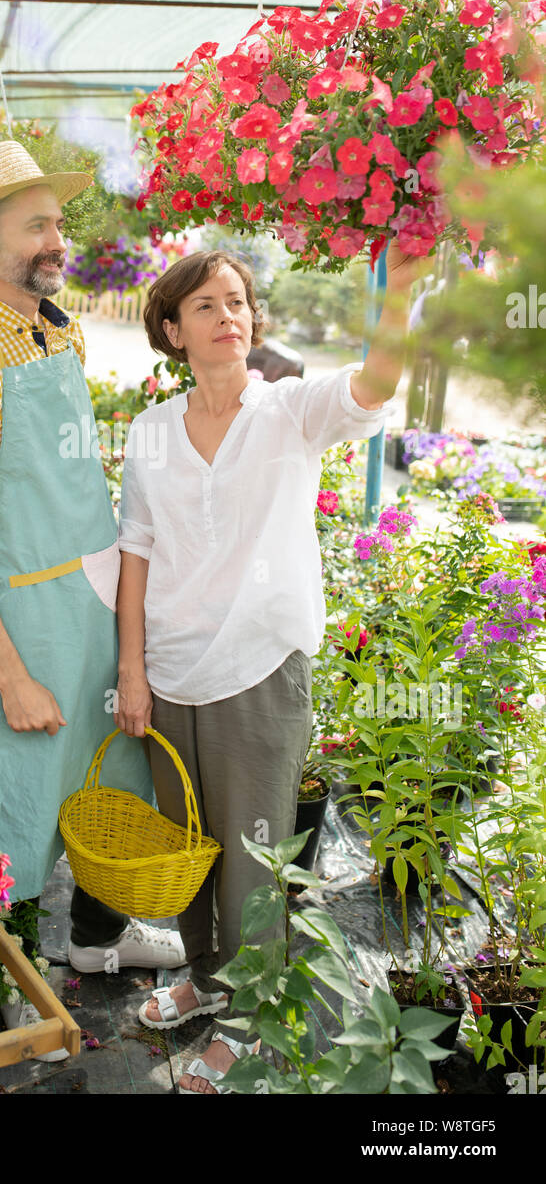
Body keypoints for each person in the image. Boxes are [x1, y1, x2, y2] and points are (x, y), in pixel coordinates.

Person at [114, 242, 424, 1093]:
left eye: (238, 302)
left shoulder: (290, 411)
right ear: (172, 330)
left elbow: (375, 385)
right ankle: (205, 977)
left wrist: (398, 291)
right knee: (189, 845)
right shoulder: (150, 431)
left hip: (259, 667)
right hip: (170, 668)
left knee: (254, 856)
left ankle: (248, 1018)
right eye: (206, 305)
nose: (229, 317)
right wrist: (132, 670)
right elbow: (136, 551)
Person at [0, 139, 185, 1061]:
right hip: (23, 623)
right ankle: (11, 983)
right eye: (35, 227)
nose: (56, 240)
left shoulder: (57, 327)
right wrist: (11, 676)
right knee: (17, 813)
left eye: (57, 222)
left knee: (110, 777)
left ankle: (98, 941)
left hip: (91, 605)